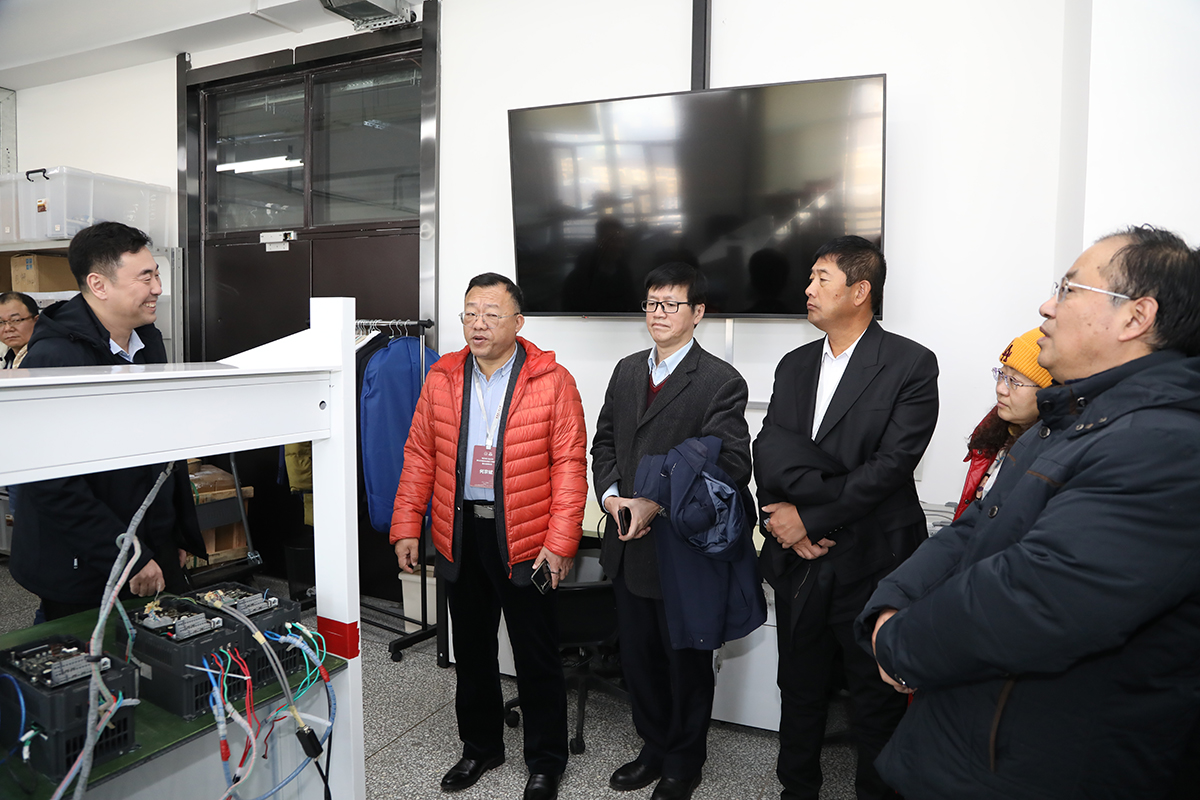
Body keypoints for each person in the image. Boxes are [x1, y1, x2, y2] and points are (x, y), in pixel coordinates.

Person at [858, 225, 1200, 800]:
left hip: (1040, 764)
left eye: (1068, 289)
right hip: (976, 741)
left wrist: (900, 644)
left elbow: (1034, 597)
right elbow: (975, 527)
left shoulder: (1164, 443)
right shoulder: (1065, 422)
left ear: (1136, 317)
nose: (1047, 305)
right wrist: (890, 605)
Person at [753, 236, 939, 800]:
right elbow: (769, 451)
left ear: (860, 291)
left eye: (821, 279)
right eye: (809, 279)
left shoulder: (910, 363)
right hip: (800, 560)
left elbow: (890, 468)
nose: (807, 289)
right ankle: (796, 790)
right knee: (798, 687)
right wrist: (779, 520)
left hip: (874, 559)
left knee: (875, 698)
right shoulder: (794, 365)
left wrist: (808, 518)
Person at [390, 273, 587, 800]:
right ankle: (480, 748)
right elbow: (419, 454)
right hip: (460, 533)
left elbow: (570, 466)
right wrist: (407, 523)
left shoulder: (552, 380)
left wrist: (560, 542)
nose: (478, 324)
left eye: (491, 314)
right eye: (470, 313)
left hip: (526, 537)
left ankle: (546, 761)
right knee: (472, 653)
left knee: (535, 656)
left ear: (517, 322)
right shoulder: (442, 376)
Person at [591, 262, 753, 800]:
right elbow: (604, 443)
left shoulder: (720, 381)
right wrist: (613, 497)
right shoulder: (626, 370)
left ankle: (684, 763)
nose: (658, 313)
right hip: (626, 544)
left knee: (686, 663)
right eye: (651, 303)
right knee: (638, 661)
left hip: (681, 553)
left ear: (698, 312)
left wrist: (654, 501)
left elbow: (731, 463)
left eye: (671, 304)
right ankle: (653, 747)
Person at [10, 222, 205, 620]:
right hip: (84, 559)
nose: (157, 288)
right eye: (145, 277)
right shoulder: (54, 360)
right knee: (88, 651)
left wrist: (173, 533)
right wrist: (125, 555)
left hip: (147, 543)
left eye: (157, 275)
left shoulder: (147, 341)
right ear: (99, 285)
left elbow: (162, 447)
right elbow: (52, 484)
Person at [953, 328, 1053, 519]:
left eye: (1014, 381)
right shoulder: (996, 432)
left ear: (1048, 392)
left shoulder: (1049, 457)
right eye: (1001, 375)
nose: (1000, 388)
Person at [0, 291, 39, 368]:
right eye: (0, 322)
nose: (7, 328)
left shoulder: (45, 355)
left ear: (36, 321)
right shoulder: (8, 356)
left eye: (16, 320)